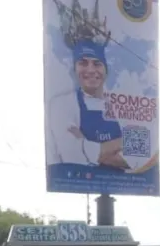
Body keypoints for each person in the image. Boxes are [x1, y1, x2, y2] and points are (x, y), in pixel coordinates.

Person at [47, 24, 129, 169]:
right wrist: (122, 142)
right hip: (75, 181)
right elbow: (72, 155)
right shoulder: (61, 105)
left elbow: (134, 161)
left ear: (106, 70)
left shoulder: (122, 105)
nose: (90, 70)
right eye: (83, 63)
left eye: (97, 64)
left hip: (122, 185)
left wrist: (87, 146)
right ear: (74, 68)